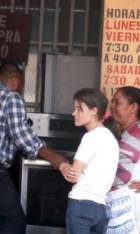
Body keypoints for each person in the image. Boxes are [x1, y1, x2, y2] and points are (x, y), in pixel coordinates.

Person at [0, 62, 68, 234]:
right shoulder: (11, 97)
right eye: (21, 84)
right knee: (13, 223)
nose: (20, 89)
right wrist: (54, 157)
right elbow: (21, 134)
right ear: (13, 80)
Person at [61, 88, 119, 234]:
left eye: (79, 109)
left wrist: (65, 167)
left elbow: (73, 176)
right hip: (100, 209)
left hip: (81, 205)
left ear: (94, 110)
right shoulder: (110, 138)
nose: (74, 113)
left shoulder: (90, 137)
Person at [105, 86, 140, 233]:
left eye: (117, 103)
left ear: (133, 107)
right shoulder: (125, 133)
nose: (112, 106)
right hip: (121, 209)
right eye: (112, 102)